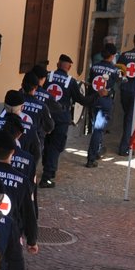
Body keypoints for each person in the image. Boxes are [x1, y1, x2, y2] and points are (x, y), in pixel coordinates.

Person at [41, 54, 81, 187]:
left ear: (58, 64)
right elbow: (79, 99)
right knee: (55, 146)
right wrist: (97, 96)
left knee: (46, 142)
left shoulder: (47, 76)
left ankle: (47, 166)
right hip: (61, 119)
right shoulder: (71, 81)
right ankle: (47, 175)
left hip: (45, 116)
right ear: (69, 67)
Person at [85, 42, 121, 167]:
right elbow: (118, 83)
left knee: (96, 126)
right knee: (98, 130)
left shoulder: (94, 67)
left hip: (93, 100)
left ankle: (98, 150)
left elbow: (91, 81)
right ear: (112, 55)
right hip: (104, 102)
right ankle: (91, 157)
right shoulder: (115, 70)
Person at [116, 34, 135, 156]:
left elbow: (118, 71)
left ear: (133, 41)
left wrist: (123, 82)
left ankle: (126, 141)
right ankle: (125, 147)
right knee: (130, 119)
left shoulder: (124, 55)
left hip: (124, 89)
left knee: (128, 116)